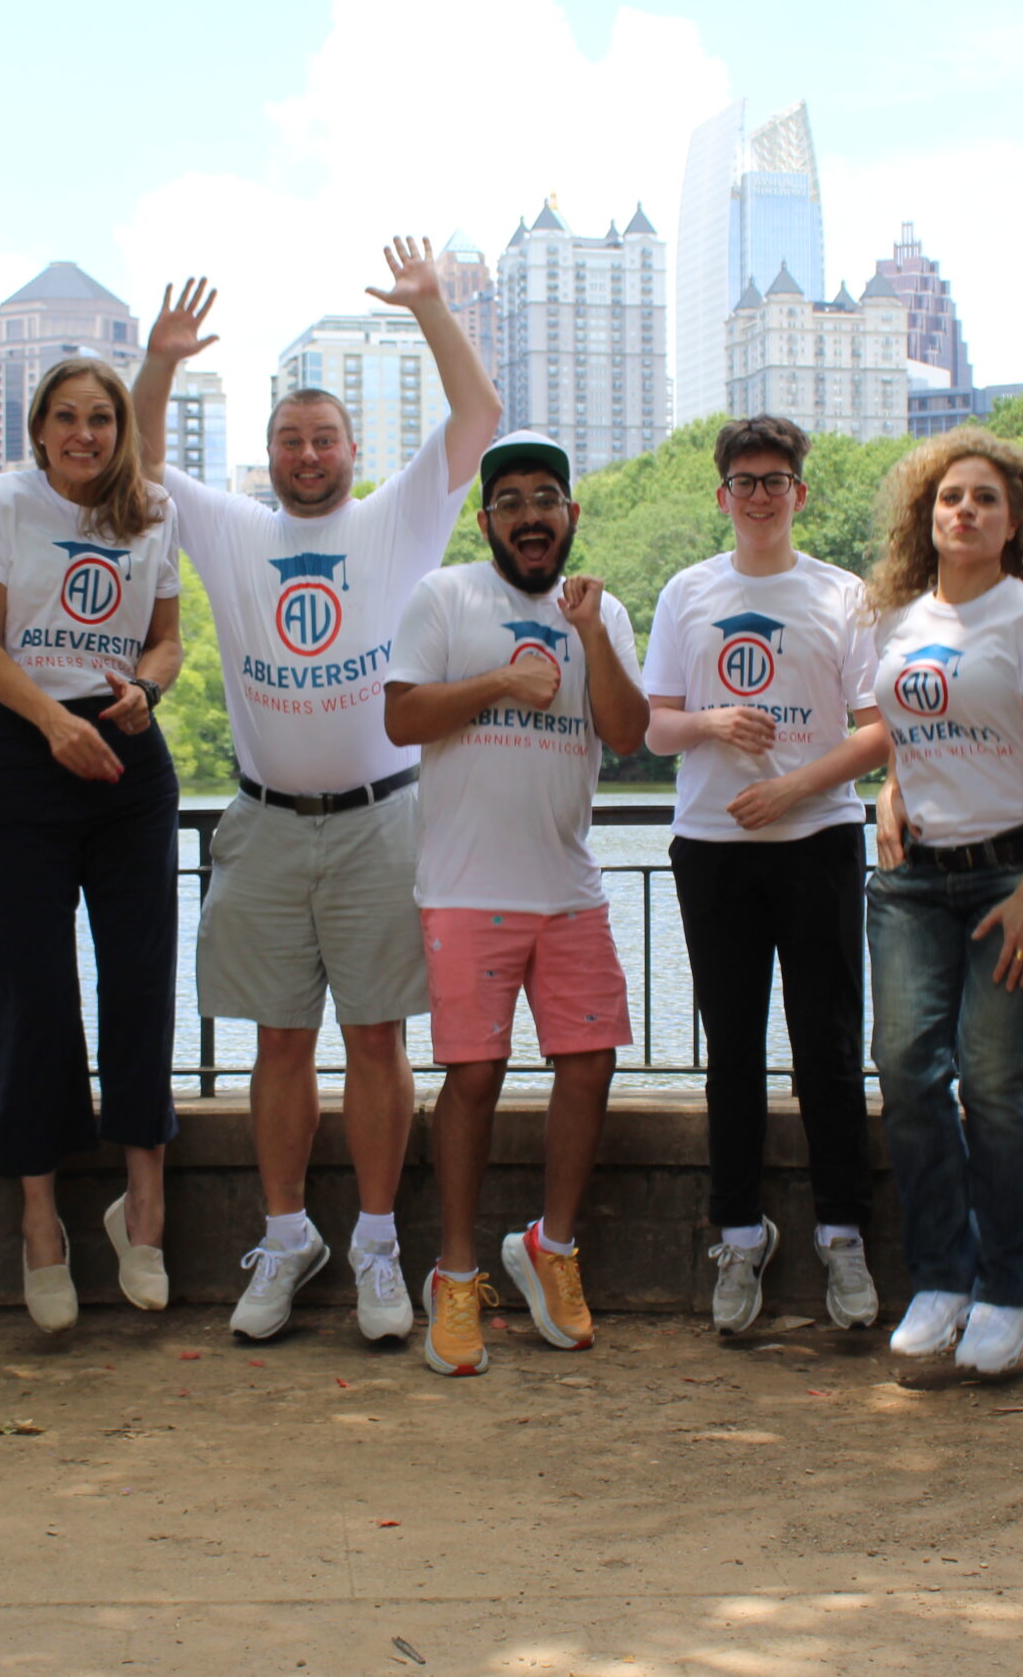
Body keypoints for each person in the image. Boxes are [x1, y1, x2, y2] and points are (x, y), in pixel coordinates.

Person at [133, 242, 503, 1344]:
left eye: (324, 438)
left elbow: (477, 416)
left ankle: (378, 1244)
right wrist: (159, 363)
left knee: (378, 1039)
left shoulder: (398, 518)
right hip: (264, 825)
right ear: (268, 455)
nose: (307, 455)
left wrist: (429, 306)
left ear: (352, 450)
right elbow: (141, 469)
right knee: (280, 1041)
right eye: (290, 440)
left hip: (383, 822)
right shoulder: (233, 528)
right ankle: (287, 1235)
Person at [384, 431, 649, 1375]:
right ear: (487, 519)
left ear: (570, 515)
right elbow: (400, 716)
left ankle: (552, 1245)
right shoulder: (446, 596)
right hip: (466, 890)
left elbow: (627, 732)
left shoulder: (601, 612)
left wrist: (589, 635)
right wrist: (501, 679)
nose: (530, 517)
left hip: (567, 887)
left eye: (546, 499)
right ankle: (455, 1274)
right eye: (511, 503)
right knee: (474, 1079)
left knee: (590, 1062)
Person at [640, 415, 890, 1335]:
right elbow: (654, 725)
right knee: (733, 1050)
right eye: (743, 481)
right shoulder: (687, 591)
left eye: (774, 480)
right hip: (711, 844)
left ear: (799, 493)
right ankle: (739, 1234)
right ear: (722, 495)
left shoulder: (843, 594)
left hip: (817, 837)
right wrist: (710, 723)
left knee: (829, 1045)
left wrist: (794, 787)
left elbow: (878, 729)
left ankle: (843, 1233)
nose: (758, 496)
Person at [0, 358, 186, 1334]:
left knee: (139, 978)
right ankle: (40, 1217)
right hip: (25, 753)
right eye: (66, 417)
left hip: (127, 755)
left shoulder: (152, 510)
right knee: (35, 988)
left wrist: (147, 689)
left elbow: (168, 640)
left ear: (121, 428)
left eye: (101, 418)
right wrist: (54, 723)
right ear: (39, 428)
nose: (84, 434)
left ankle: (144, 1204)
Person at [863, 430, 1023, 1375]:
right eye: (950, 497)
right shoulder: (897, 620)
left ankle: (1012, 1288)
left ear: (1015, 520)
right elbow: (911, 730)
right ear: (927, 516)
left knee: (992, 1079)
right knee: (907, 1069)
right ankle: (941, 1276)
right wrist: (891, 787)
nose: (965, 511)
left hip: (1012, 875)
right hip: (913, 880)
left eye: (985, 499)